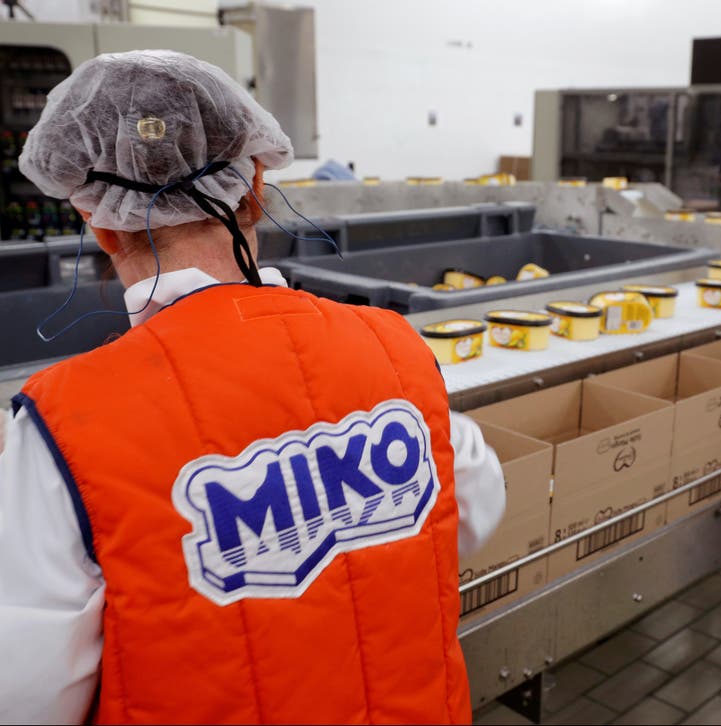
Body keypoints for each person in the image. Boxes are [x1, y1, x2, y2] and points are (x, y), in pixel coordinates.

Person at [0, 50, 505, 724]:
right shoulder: (395, 348)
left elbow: (26, 693)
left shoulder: (65, 426)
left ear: (96, 220)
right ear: (255, 189)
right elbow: (474, 509)